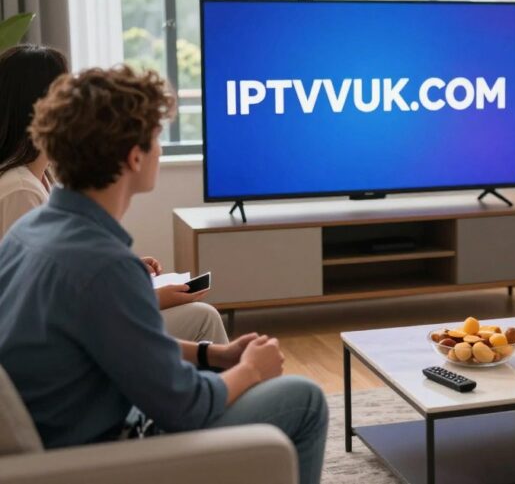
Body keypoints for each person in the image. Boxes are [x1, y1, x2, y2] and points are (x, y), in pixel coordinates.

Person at [0, 66, 327, 484]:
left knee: (225, 370)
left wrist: (214, 356)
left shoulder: (32, 230)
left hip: (74, 425)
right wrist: (250, 370)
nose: (158, 151)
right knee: (304, 399)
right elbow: (186, 406)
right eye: (156, 139)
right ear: (134, 156)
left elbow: (123, 344)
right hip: (109, 450)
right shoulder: (104, 265)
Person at [0, 44, 226, 343]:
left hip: (73, 334)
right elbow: (41, 309)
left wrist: (128, 276)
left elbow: (66, 281)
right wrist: (151, 297)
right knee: (204, 319)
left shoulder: (41, 179)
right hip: (66, 345)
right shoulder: (20, 190)